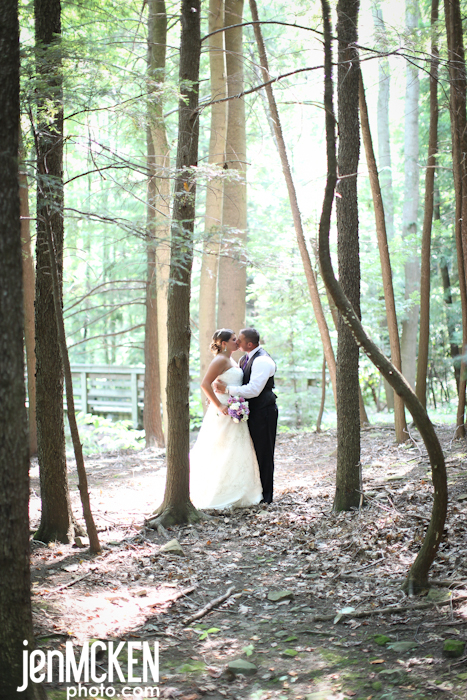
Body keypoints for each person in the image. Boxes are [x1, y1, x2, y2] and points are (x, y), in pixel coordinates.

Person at [189, 329, 263, 509]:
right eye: (233, 339)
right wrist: (219, 405)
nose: (237, 342)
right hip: (223, 410)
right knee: (221, 448)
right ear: (223, 343)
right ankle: (218, 492)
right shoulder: (220, 360)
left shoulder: (233, 360)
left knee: (235, 449)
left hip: (235, 409)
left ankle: (238, 490)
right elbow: (205, 384)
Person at [215, 328, 278, 504]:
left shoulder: (263, 361)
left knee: (264, 453)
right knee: (251, 453)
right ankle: (254, 492)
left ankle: (266, 496)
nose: (237, 342)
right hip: (250, 413)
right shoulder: (244, 359)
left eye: (240, 340)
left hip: (264, 412)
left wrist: (227, 390)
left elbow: (253, 390)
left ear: (249, 344)